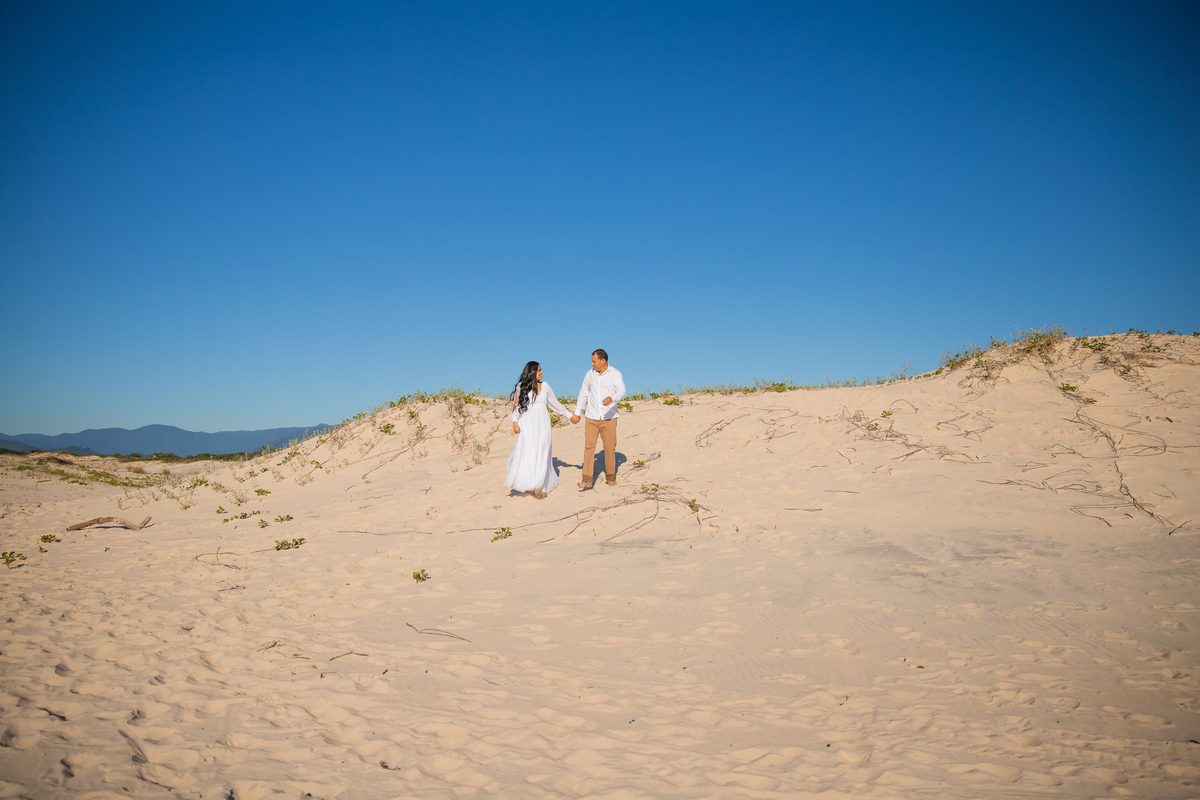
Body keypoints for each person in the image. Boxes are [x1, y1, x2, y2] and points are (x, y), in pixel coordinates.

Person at [505, 361, 572, 497]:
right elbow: (516, 405)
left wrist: (570, 415)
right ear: (532, 372)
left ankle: (538, 486)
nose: (542, 372)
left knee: (542, 451)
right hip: (527, 422)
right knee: (528, 451)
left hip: (542, 422)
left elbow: (555, 404)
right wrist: (514, 422)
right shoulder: (520, 386)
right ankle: (529, 483)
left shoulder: (545, 386)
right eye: (539, 370)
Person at [570, 348, 626, 488]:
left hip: (609, 417)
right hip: (592, 416)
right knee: (589, 447)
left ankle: (611, 477)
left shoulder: (615, 373)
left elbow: (622, 391)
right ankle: (587, 480)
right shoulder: (589, 374)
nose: (592, 364)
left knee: (609, 447)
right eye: (592, 361)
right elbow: (583, 393)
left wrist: (612, 398)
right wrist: (577, 412)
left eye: (594, 361)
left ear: (603, 361)